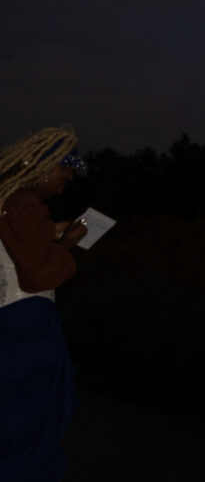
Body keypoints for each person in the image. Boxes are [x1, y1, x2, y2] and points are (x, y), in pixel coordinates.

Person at [0, 125, 88, 481]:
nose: (64, 183)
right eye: (62, 175)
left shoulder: (10, 200)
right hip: (25, 321)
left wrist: (51, 233)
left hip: (14, 317)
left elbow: (19, 246)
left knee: (22, 415)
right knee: (32, 417)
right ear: (41, 166)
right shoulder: (24, 203)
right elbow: (36, 276)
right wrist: (67, 245)